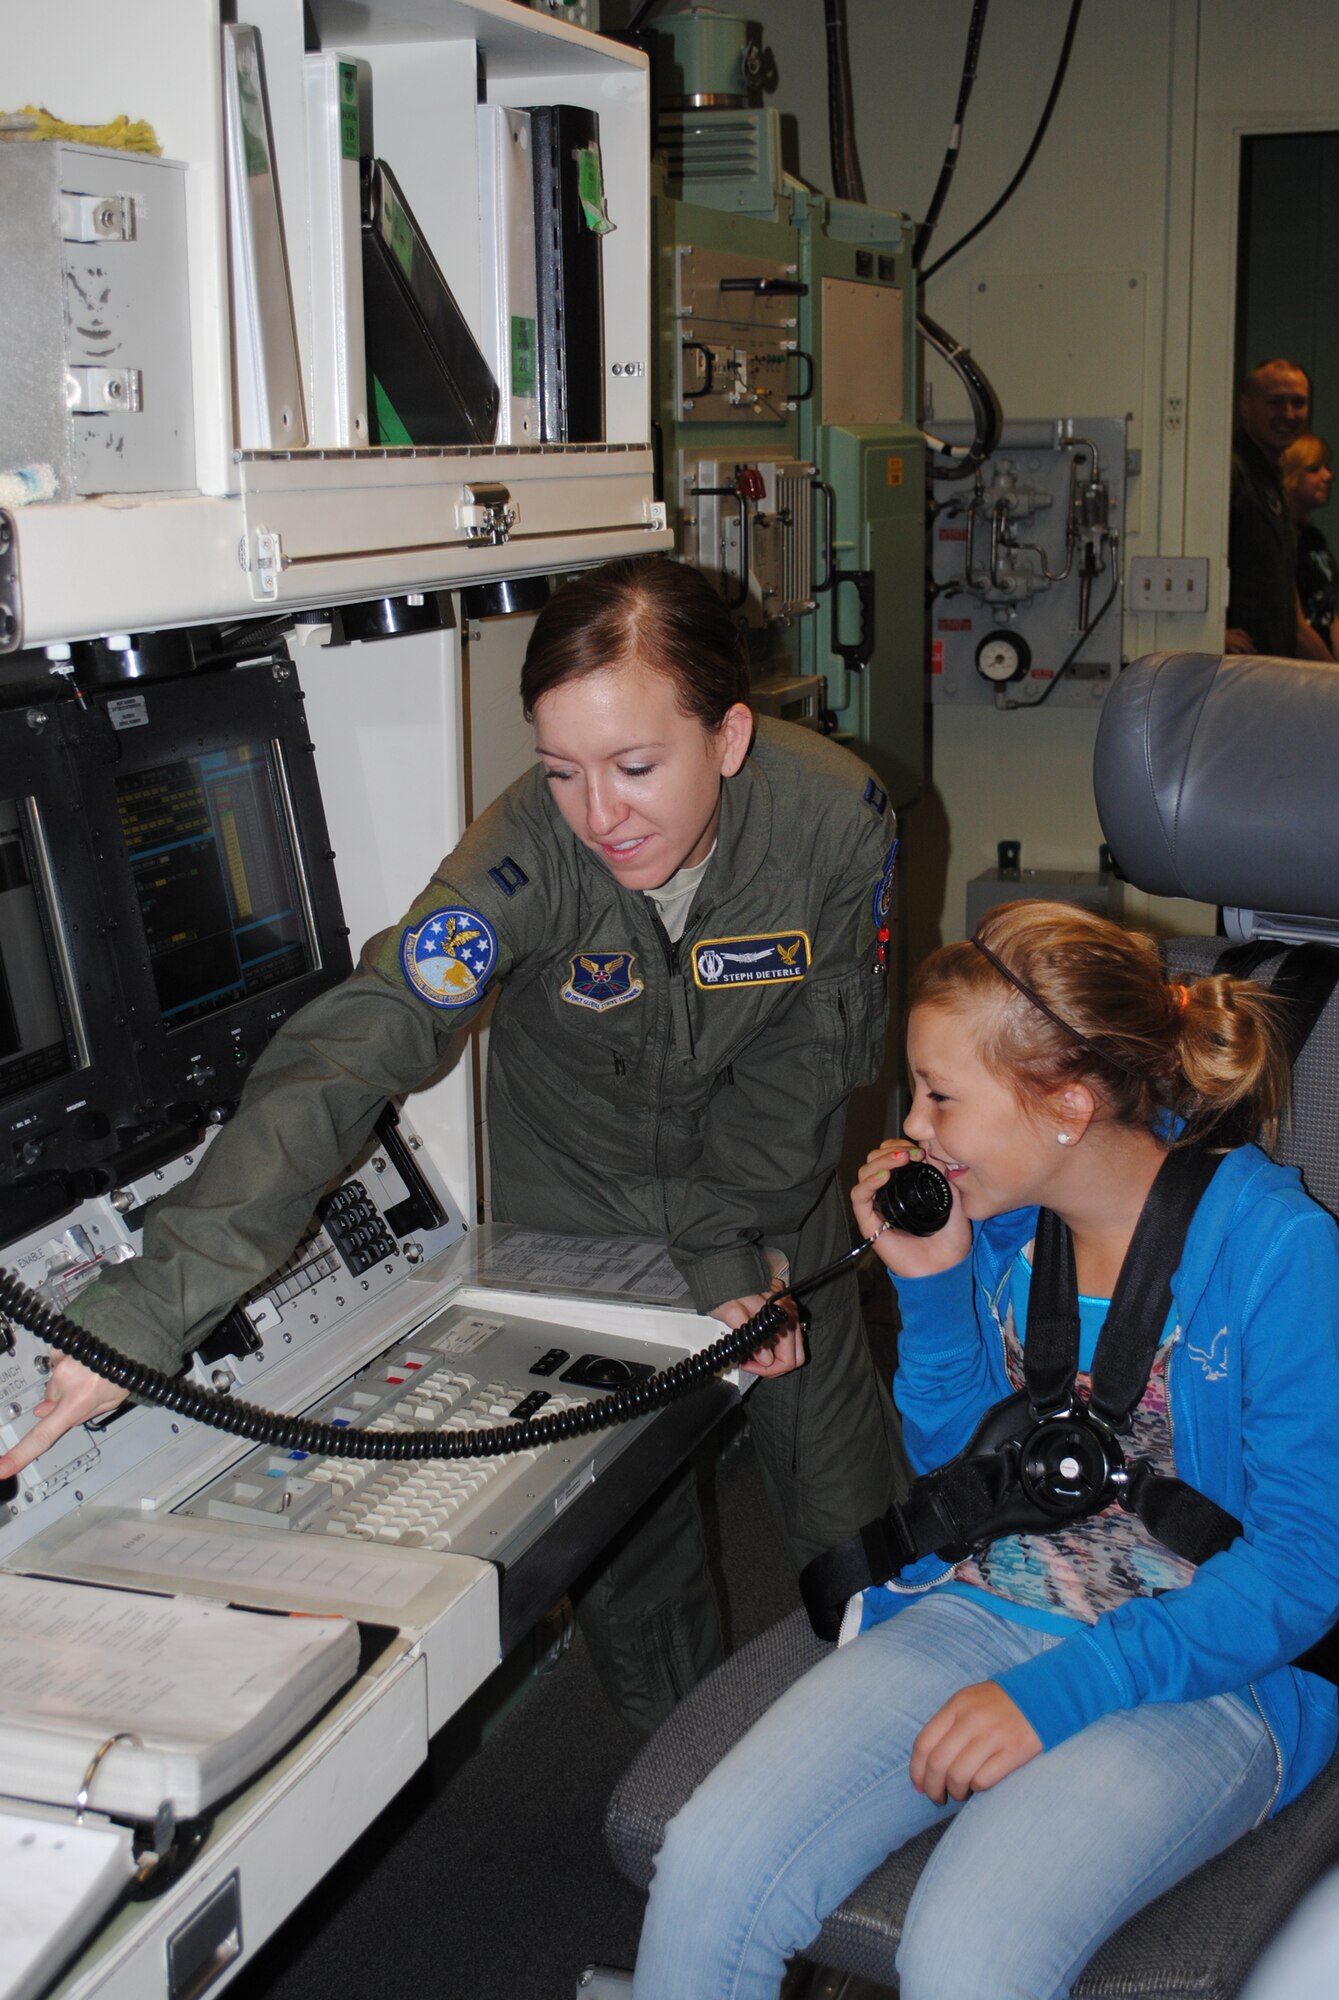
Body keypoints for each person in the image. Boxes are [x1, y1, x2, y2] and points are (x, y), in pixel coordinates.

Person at [0, 555, 905, 1735]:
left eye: (637, 766)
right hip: (576, 1200)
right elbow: (359, 1048)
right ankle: (691, 1786)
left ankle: (891, 1750)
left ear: (728, 736)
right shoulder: (524, 855)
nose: (601, 814)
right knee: (632, 1530)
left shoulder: (839, 819)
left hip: (769, 1194)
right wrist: (148, 1305)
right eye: (563, 769)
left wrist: (731, 1250)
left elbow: (811, 1065)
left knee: (851, 1508)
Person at [631, 900, 1339, 2000]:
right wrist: (933, 1286)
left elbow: (1303, 1567)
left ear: (1064, 1103)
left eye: (940, 1096)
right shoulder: (1009, 1223)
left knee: (967, 1949)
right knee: (709, 1867)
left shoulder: (1279, 1252)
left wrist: (1061, 1691)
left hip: (1211, 1667)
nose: (913, 1126)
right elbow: (963, 1462)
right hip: (991, 1599)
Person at [1226, 357, 1331, 660]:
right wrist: (1214, 631)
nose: (1288, 414)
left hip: (1269, 664)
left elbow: (1291, 617)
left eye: (1298, 403)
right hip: (1234, 670)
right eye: (1275, 402)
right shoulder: (1230, 473)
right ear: (1246, 407)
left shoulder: (1273, 483)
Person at [1281, 431, 1338, 659]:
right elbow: (1296, 629)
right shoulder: (1279, 540)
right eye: (1314, 469)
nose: (1328, 475)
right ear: (1291, 476)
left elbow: (1330, 613)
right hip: (1295, 671)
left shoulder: (1312, 538)